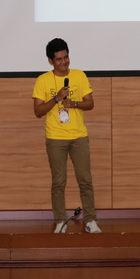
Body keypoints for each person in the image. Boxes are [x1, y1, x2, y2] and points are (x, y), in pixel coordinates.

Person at [32, 38, 100, 234]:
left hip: (79, 136)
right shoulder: (43, 80)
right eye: (59, 59)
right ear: (50, 61)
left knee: (85, 180)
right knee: (58, 182)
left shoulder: (79, 75)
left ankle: (90, 220)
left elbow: (90, 103)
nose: (64, 62)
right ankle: (60, 221)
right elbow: (38, 111)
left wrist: (75, 104)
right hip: (56, 137)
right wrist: (57, 98)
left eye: (66, 57)